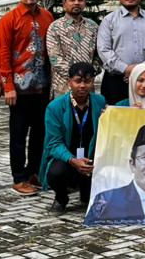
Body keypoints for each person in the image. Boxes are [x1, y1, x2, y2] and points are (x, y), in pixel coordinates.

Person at [0, 0, 54, 195]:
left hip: (42, 87)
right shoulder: (9, 20)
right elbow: (2, 54)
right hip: (19, 89)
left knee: (40, 132)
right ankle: (18, 177)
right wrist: (7, 85)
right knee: (19, 135)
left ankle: (33, 172)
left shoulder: (47, 17)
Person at [39, 62, 106, 214]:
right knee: (56, 173)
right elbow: (54, 143)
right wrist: (74, 161)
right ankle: (61, 198)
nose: (82, 85)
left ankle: (86, 191)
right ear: (69, 82)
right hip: (67, 160)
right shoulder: (55, 107)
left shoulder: (100, 101)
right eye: (78, 81)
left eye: (87, 81)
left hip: (90, 160)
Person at [96, 0, 145, 106]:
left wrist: (141, 69)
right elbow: (104, 49)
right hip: (116, 81)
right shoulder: (109, 20)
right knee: (116, 121)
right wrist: (126, 69)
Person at [47, 0, 99, 96]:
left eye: (80, 0)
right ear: (64, 4)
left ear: (84, 3)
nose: (76, 3)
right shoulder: (55, 27)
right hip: (63, 88)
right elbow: (55, 58)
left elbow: (98, 55)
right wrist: (77, 77)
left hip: (88, 87)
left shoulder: (93, 27)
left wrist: (89, 74)